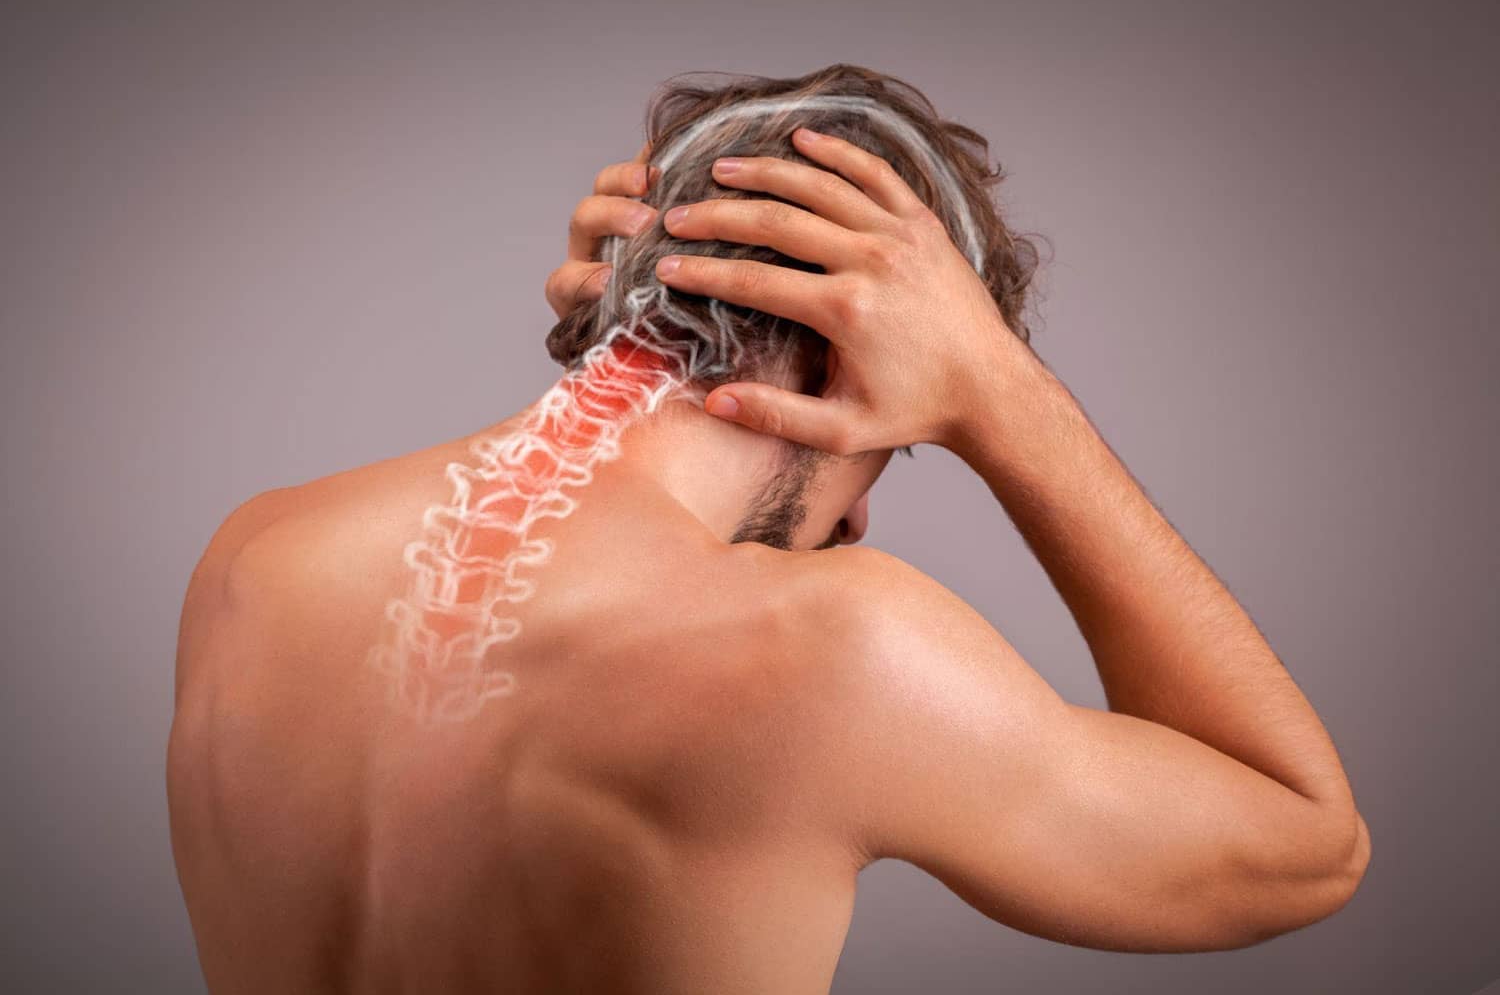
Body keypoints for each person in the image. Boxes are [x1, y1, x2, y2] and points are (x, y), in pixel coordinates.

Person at [168, 64, 1370, 993]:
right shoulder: (832, 654)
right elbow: (1308, 845)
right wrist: (1008, 404)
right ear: (843, 359)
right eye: (897, 445)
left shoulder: (258, 556)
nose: (857, 522)